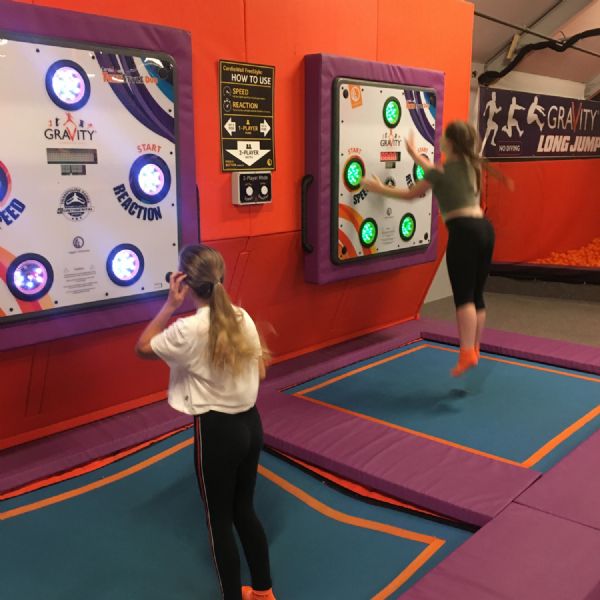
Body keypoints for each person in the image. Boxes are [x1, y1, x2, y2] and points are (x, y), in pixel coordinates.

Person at [136, 244, 276, 600]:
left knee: (219, 522)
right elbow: (260, 371)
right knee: (244, 510)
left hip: (218, 432)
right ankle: (263, 593)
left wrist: (170, 304)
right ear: (221, 277)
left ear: (185, 282)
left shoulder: (188, 329)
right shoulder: (242, 317)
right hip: (251, 426)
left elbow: (143, 347)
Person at [364, 121, 512, 376]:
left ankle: (466, 352)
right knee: (477, 295)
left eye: (443, 137)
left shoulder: (441, 172)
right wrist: (414, 155)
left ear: (449, 143)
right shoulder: (470, 166)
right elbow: (435, 173)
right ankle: (475, 346)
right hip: (485, 230)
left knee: (463, 297)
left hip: (464, 232)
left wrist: (379, 188)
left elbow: (411, 195)